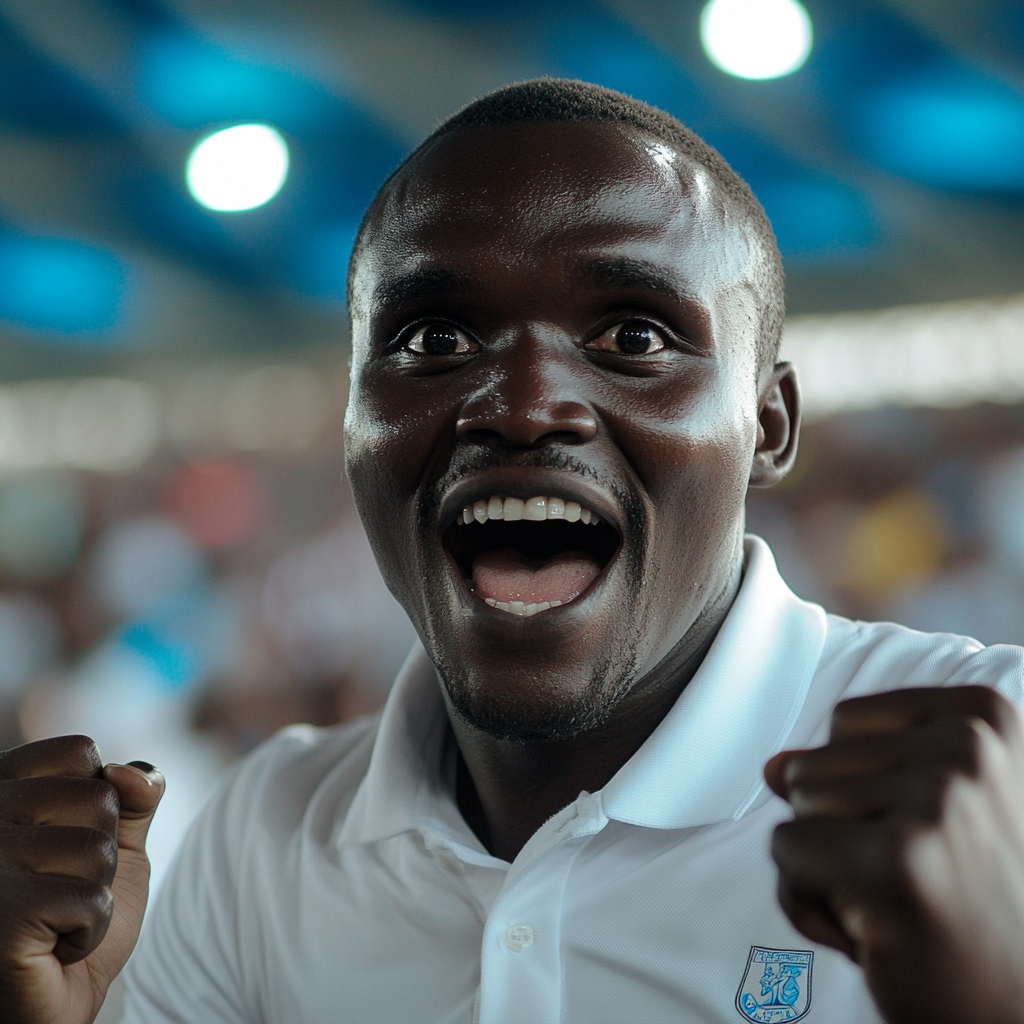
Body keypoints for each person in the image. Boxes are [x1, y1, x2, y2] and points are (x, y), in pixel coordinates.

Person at [2, 79, 1024, 1024]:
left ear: (768, 426)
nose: (525, 406)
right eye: (435, 340)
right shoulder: (265, 834)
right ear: (352, 421)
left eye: (633, 336)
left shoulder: (998, 768)